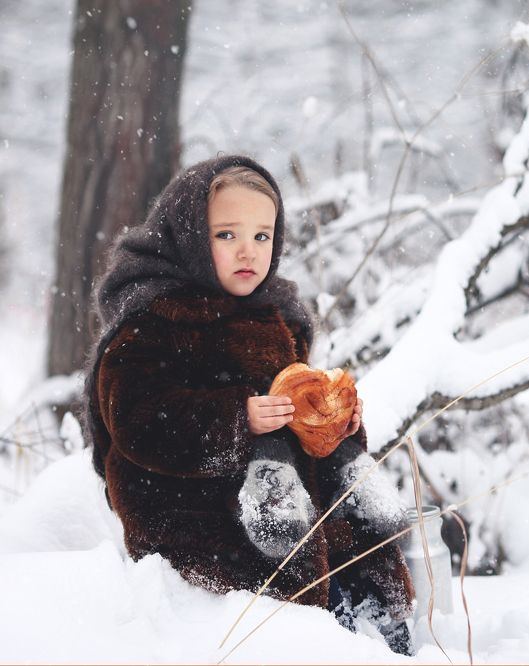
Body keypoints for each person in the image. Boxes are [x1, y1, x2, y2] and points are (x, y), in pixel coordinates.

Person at [79, 154, 415, 654]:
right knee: (283, 592)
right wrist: (238, 418)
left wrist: (331, 425)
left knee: (353, 550)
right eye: (226, 235)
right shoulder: (151, 320)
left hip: (289, 501)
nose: (248, 252)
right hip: (188, 511)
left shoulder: (278, 314)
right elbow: (137, 422)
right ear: (190, 235)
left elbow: (293, 416)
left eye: (262, 236)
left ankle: (381, 631)